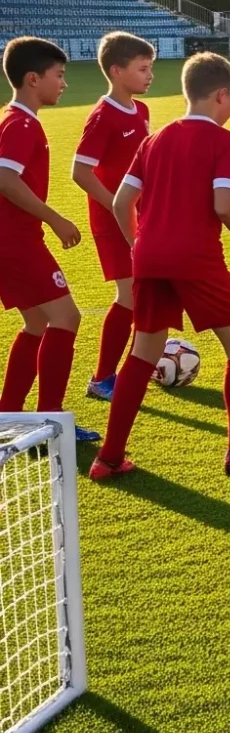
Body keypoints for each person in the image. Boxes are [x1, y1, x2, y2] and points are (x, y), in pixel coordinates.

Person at [90, 52, 230, 480]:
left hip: (149, 258)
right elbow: (223, 205)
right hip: (197, 258)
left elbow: (121, 201)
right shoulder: (224, 141)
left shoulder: (155, 139)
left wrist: (140, 245)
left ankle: (108, 458)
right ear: (222, 94)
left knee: (142, 352)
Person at [0, 36, 91, 438]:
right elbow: (4, 178)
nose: (64, 84)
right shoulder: (20, 123)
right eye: (59, 76)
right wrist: (55, 218)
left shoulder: (16, 120)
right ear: (33, 79)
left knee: (37, 321)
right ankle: (50, 420)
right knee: (66, 317)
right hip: (15, 240)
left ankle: (9, 416)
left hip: (13, 238)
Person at [70, 31, 153, 402]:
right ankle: (103, 378)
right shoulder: (103, 116)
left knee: (144, 293)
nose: (150, 75)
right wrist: (120, 204)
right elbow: (80, 171)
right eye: (143, 68)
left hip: (138, 217)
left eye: (150, 68)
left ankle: (136, 368)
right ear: (117, 71)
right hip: (112, 221)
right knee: (130, 296)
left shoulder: (142, 110)